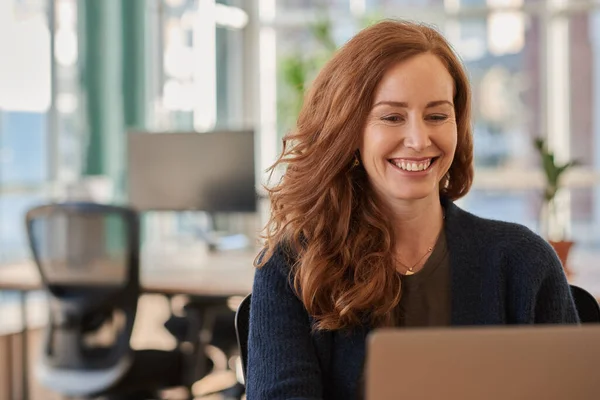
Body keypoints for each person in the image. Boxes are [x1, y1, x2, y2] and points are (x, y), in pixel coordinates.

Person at [246, 19, 579, 400]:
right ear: (350, 129)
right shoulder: (292, 265)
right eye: (391, 117)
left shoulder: (523, 261)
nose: (419, 140)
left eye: (437, 116)